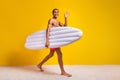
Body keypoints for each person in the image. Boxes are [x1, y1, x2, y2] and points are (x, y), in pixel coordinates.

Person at [37, 8, 72, 77]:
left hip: (56, 40)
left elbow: (65, 27)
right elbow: (48, 30)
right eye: (55, 12)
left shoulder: (58, 21)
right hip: (52, 40)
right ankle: (63, 72)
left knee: (51, 54)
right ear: (52, 13)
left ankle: (39, 64)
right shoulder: (51, 20)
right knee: (60, 54)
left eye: (57, 12)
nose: (56, 13)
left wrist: (66, 18)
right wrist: (47, 40)